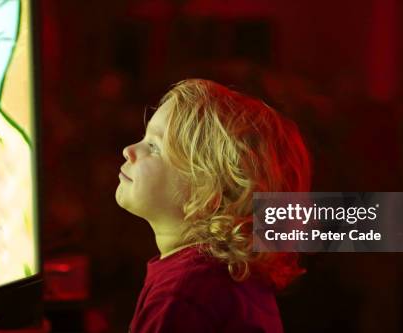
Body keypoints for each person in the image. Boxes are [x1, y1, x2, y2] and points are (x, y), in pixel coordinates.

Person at [116, 79, 311, 332]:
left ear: (208, 191)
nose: (128, 150)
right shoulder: (230, 276)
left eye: (154, 147)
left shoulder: (182, 295)